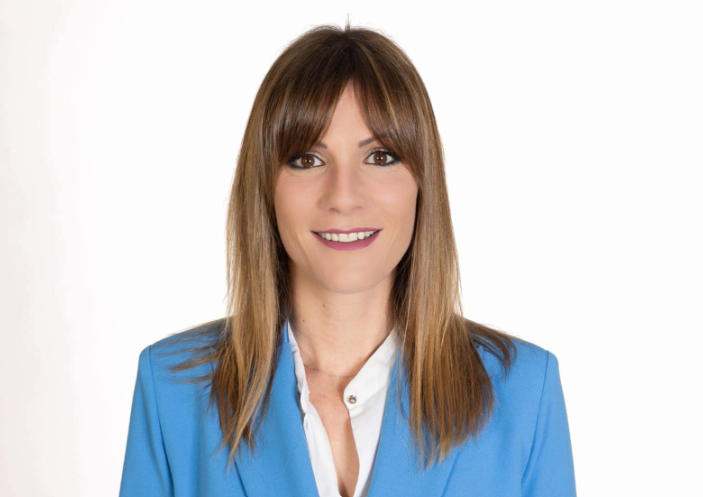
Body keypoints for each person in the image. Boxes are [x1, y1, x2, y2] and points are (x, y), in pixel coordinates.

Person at [118, 22, 577, 497]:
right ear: (265, 188)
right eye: (307, 159)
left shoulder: (524, 393)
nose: (343, 196)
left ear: (423, 183)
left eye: (380, 157)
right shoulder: (173, 391)